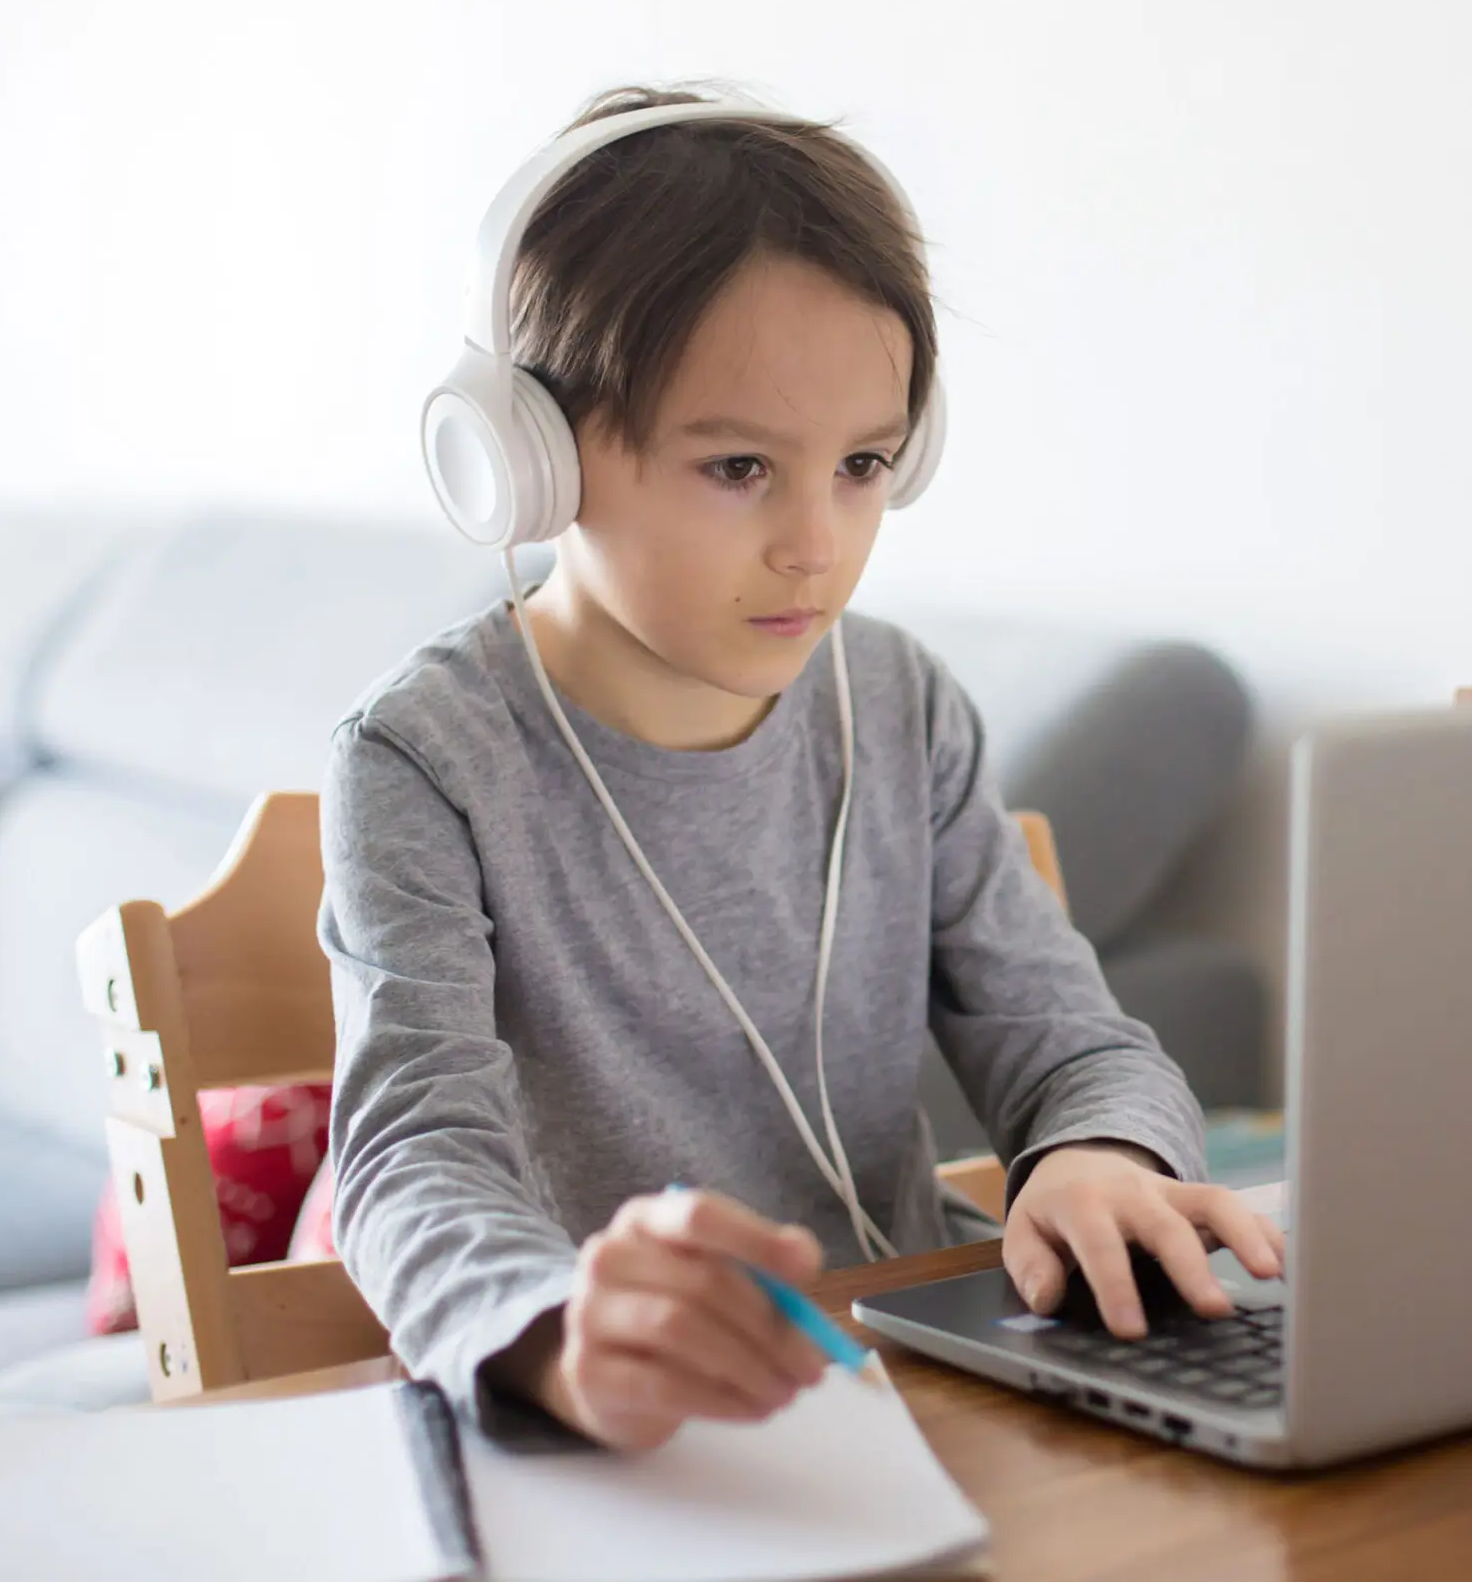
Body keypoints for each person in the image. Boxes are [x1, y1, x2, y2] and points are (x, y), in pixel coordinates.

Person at [321, 84, 1281, 1451]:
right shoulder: (425, 760)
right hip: (634, 1430)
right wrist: (556, 1337)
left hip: (907, 1395)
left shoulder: (900, 707)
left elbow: (1072, 1040)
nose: (817, 545)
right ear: (528, 455)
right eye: (738, 468)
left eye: (865, 463)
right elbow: (414, 1153)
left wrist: (1095, 1155)